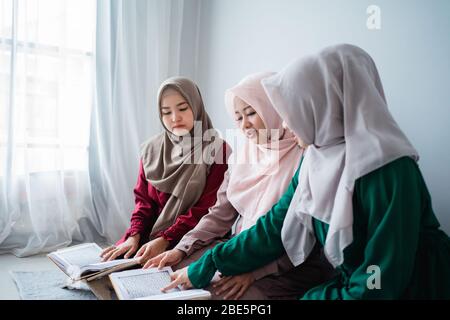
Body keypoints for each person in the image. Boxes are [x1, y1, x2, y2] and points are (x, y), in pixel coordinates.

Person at [162, 44, 450, 299]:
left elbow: (381, 281)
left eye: (293, 109)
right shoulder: (316, 158)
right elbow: (275, 227)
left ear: (326, 106)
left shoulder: (390, 171)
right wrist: (209, 263)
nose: (286, 122)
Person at [147, 72, 334, 300]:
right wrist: (181, 247)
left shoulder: (303, 156)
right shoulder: (242, 155)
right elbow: (219, 213)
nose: (244, 125)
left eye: (252, 113)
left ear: (274, 108)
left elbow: (297, 233)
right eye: (238, 117)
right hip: (239, 250)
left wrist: (254, 272)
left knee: (219, 296)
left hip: (290, 263)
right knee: (173, 275)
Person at [100, 77, 229, 266]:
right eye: (166, 112)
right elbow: (143, 202)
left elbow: (205, 210)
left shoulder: (218, 150)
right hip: (151, 235)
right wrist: (134, 235)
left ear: (196, 106)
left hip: (193, 237)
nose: (175, 118)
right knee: (109, 266)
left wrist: (165, 239)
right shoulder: (151, 149)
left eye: (183, 109)